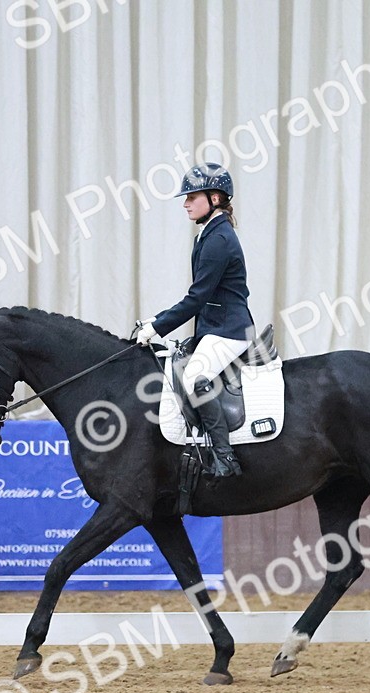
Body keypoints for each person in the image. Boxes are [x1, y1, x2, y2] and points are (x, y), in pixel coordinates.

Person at [135, 163, 255, 478]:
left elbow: (197, 297)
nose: (186, 204)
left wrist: (157, 327)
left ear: (214, 198)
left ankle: (225, 458)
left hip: (230, 330)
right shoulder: (208, 233)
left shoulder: (218, 239)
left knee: (194, 378)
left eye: (191, 197)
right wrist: (157, 318)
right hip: (215, 327)